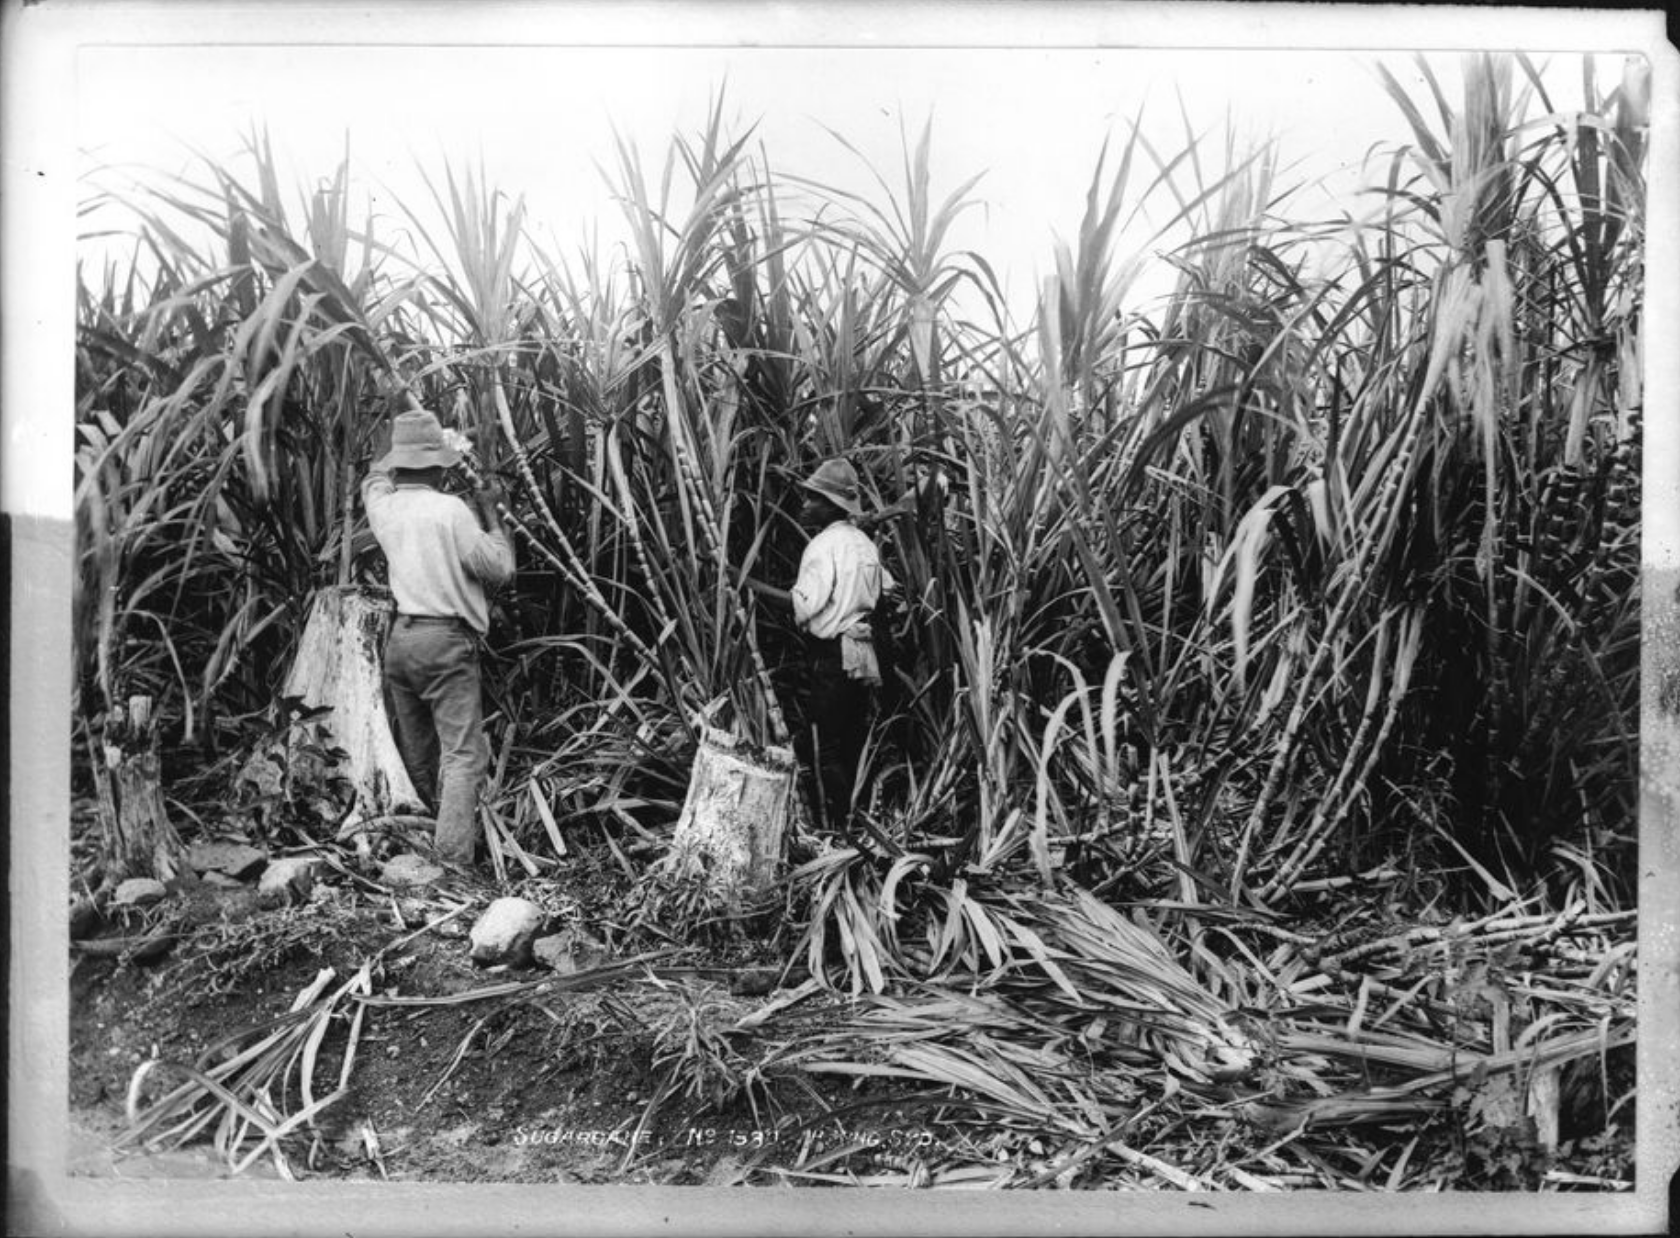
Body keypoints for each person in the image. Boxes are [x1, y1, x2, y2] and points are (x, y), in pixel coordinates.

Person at [362, 408, 514, 867]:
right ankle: (452, 861)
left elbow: (373, 478)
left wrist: (391, 452)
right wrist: (490, 511)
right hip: (445, 643)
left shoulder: (382, 506)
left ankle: (427, 841)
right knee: (465, 755)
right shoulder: (451, 511)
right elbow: (499, 569)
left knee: (419, 749)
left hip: (401, 643)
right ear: (437, 466)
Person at [790, 458, 895, 832]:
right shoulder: (864, 543)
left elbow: (807, 605)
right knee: (852, 738)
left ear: (832, 506)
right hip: (863, 653)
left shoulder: (822, 546)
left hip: (833, 655)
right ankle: (861, 818)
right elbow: (887, 588)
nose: (804, 506)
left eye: (812, 499)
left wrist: (794, 604)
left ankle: (845, 827)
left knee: (822, 745)